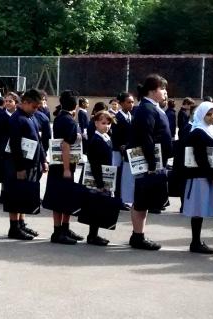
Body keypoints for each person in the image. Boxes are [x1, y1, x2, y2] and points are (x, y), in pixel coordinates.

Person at [126, 74, 172, 251]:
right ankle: (138, 236)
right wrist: (152, 164)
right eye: (162, 89)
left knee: (143, 201)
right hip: (146, 163)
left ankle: (138, 235)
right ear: (153, 91)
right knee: (141, 201)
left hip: (152, 162)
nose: (165, 92)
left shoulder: (152, 107)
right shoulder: (146, 109)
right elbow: (146, 138)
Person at [5, 89, 48, 240]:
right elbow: (15, 146)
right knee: (15, 195)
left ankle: (21, 223)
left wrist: (43, 159)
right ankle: (14, 227)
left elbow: (38, 140)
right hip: (19, 164)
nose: (36, 110)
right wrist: (20, 168)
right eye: (34, 106)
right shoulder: (16, 119)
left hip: (32, 162)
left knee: (23, 195)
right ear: (25, 103)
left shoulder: (31, 117)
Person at [44, 90, 83, 245]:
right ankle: (58, 231)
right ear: (75, 105)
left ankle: (63, 228)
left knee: (63, 197)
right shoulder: (69, 121)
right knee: (63, 197)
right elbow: (65, 145)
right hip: (64, 165)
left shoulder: (60, 117)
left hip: (57, 163)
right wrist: (67, 169)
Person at [183, 102, 213, 254]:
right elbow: (200, 157)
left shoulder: (211, 130)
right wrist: (212, 175)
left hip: (206, 175)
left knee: (201, 208)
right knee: (198, 210)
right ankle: (195, 242)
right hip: (199, 176)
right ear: (201, 114)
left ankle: (197, 241)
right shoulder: (198, 132)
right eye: (209, 114)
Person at [85, 110, 116, 245]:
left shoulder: (106, 138)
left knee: (100, 206)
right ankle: (92, 235)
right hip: (99, 179)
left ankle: (95, 234)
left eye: (109, 123)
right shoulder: (96, 140)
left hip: (106, 177)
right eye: (103, 123)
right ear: (96, 123)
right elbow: (95, 164)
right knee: (96, 206)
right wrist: (100, 183)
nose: (107, 126)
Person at [114, 92, 134, 209]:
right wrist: (121, 146)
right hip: (118, 151)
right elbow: (115, 136)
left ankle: (124, 199)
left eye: (132, 102)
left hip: (128, 150)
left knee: (125, 176)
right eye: (128, 102)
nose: (131, 104)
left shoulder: (131, 117)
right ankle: (118, 199)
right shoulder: (117, 118)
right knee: (118, 174)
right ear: (121, 103)